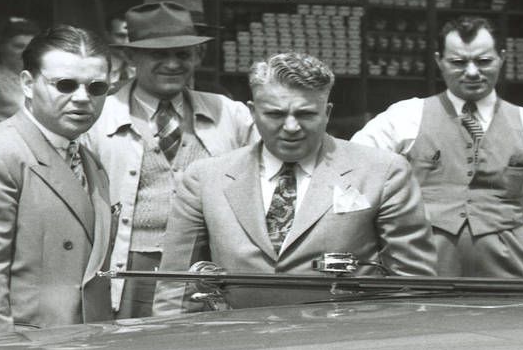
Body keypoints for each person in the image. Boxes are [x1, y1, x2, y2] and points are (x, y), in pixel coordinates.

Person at [159, 52, 433, 309]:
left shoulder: (382, 172)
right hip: (236, 346)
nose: (291, 127)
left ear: (326, 113)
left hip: (343, 346)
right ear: (253, 113)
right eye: (275, 114)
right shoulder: (206, 178)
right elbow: (175, 289)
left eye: (306, 114)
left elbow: (412, 285)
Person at [0, 28, 123, 337]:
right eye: (64, 85)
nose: (81, 98)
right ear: (27, 83)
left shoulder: (90, 161)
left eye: (96, 87)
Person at [351, 16, 523, 278]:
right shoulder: (404, 117)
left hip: (512, 272)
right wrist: (383, 251)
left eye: (484, 61)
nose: (473, 72)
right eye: (458, 62)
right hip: (422, 269)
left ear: (501, 58)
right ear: (438, 61)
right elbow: (354, 175)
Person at [92, 0, 256, 317]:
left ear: (197, 56)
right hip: (130, 268)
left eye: (182, 54)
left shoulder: (230, 114)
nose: (172, 64)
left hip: (206, 269)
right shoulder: (99, 118)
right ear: (131, 57)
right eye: (158, 54)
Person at [0, 18, 36, 121]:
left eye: (30, 47)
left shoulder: (38, 78)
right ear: (1, 47)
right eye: (19, 46)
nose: (26, 52)